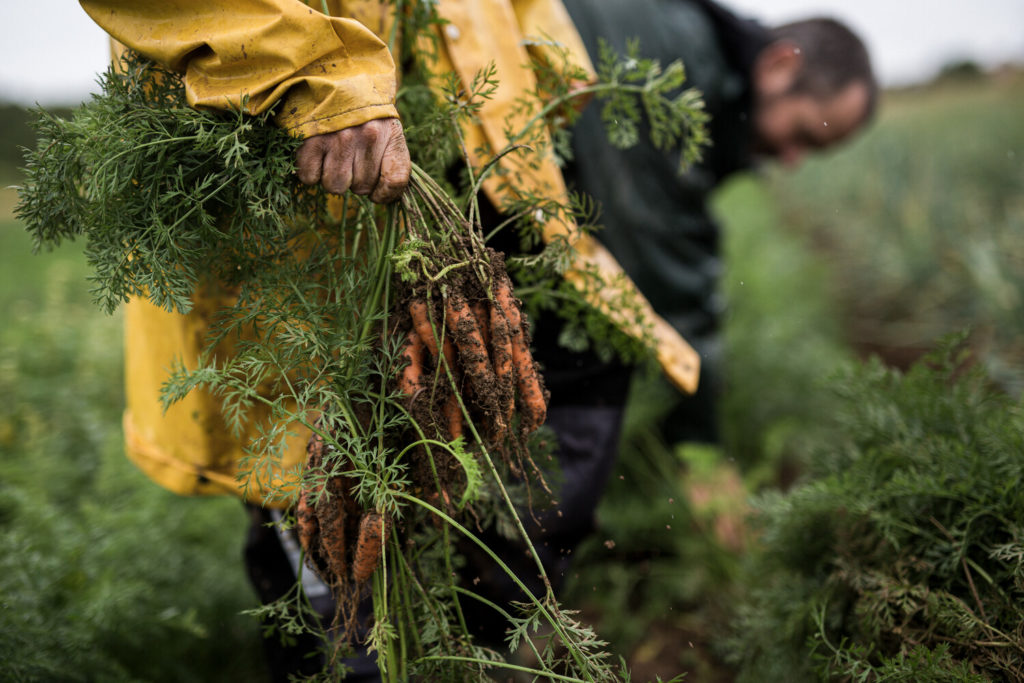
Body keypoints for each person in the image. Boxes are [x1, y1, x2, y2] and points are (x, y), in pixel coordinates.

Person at [78, 1, 700, 680]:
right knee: (324, 481)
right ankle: (349, 640)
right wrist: (320, 79)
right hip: (288, 167)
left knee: (570, 379)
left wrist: (538, 63)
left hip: (462, 143)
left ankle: (474, 625)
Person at [560, 0, 877, 444]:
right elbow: (661, 259)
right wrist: (701, 452)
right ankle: (534, 502)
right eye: (803, 135)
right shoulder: (679, 56)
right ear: (781, 65)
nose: (790, 161)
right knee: (595, 333)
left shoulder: (706, 63)